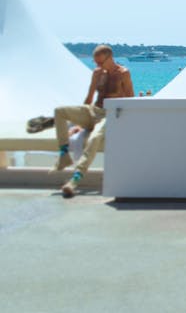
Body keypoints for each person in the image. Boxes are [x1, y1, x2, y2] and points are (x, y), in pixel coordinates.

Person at [51, 44, 134, 198]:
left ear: (110, 58)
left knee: (94, 138)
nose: (98, 66)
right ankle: (64, 155)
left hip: (109, 115)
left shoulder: (123, 73)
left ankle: (74, 180)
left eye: (100, 62)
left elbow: (130, 99)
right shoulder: (97, 73)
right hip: (93, 111)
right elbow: (89, 99)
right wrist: (79, 124)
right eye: (95, 63)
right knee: (60, 111)